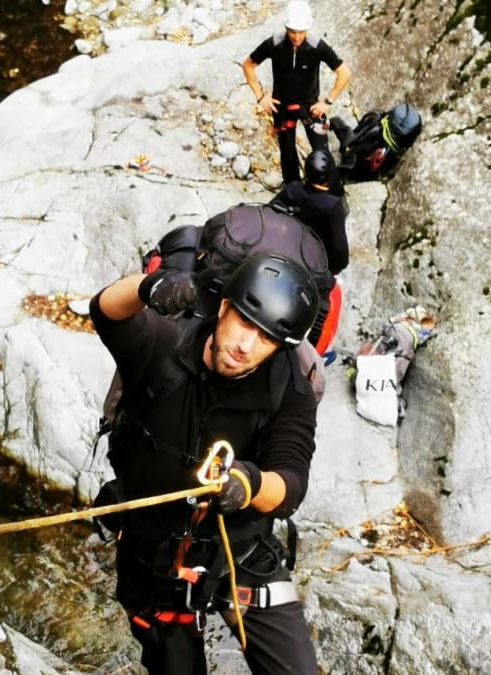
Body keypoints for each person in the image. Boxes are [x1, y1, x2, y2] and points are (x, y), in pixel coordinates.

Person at [89, 253, 321, 675]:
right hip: (155, 556)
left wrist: (247, 484)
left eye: (266, 338)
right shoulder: (164, 345)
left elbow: (291, 481)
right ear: (225, 308)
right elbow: (105, 312)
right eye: (245, 323)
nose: (246, 346)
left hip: (240, 550)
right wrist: (149, 286)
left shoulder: (288, 390)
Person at [242, 0, 352, 185]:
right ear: (286, 26)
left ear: (307, 28)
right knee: (288, 153)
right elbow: (248, 65)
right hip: (281, 106)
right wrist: (261, 96)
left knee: (321, 152)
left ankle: (327, 190)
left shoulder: (317, 46)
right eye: (292, 31)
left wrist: (327, 101)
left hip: (310, 106)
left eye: (301, 32)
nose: (296, 36)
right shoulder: (274, 44)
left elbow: (344, 72)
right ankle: (292, 191)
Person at [271, 148, 349, 275]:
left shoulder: (292, 190)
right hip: (313, 263)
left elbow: (270, 211)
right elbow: (341, 257)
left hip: (284, 250)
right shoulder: (333, 205)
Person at [330, 103, 423, 181]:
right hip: (358, 170)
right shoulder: (393, 151)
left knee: (337, 123)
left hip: (353, 148)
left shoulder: (376, 117)